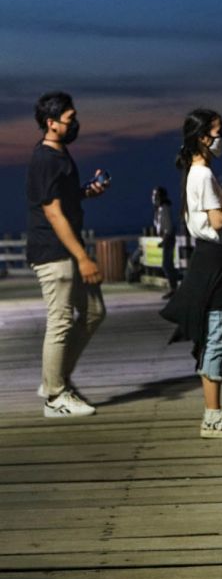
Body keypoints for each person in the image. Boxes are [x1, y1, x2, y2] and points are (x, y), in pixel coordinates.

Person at [160, 109, 222, 438]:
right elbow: (218, 223)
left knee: (211, 336)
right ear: (203, 137)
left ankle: (214, 411)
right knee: (217, 336)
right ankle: (213, 417)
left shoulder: (196, 172)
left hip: (210, 259)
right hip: (214, 259)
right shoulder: (201, 175)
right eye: (218, 132)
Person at [25, 91, 109, 418]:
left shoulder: (60, 154)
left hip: (67, 251)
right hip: (53, 252)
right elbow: (53, 213)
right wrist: (84, 257)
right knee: (59, 321)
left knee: (94, 311)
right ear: (51, 123)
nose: (75, 124)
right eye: (69, 120)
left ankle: (53, 380)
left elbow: (67, 199)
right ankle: (55, 397)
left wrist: (89, 190)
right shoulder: (45, 158)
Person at [151, 186, 178, 298]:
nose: (153, 197)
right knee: (167, 264)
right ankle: (173, 288)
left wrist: (165, 240)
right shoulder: (159, 209)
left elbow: (168, 227)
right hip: (166, 238)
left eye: (155, 195)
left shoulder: (164, 209)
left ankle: (174, 288)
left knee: (167, 264)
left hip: (168, 238)